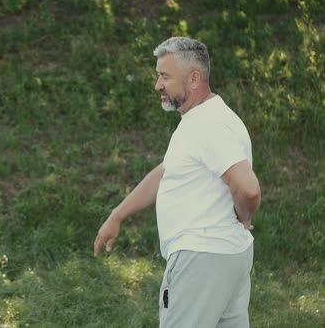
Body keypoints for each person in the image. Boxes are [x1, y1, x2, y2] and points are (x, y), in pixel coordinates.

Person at [93, 37, 261, 327]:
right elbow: (165, 172)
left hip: (201, 259)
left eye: (165, 76)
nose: (158, 84)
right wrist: (118, 214)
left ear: (194, 78)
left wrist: (244, 216)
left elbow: (248, 188)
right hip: (225, 256)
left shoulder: (207, 125)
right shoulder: (204, 119)